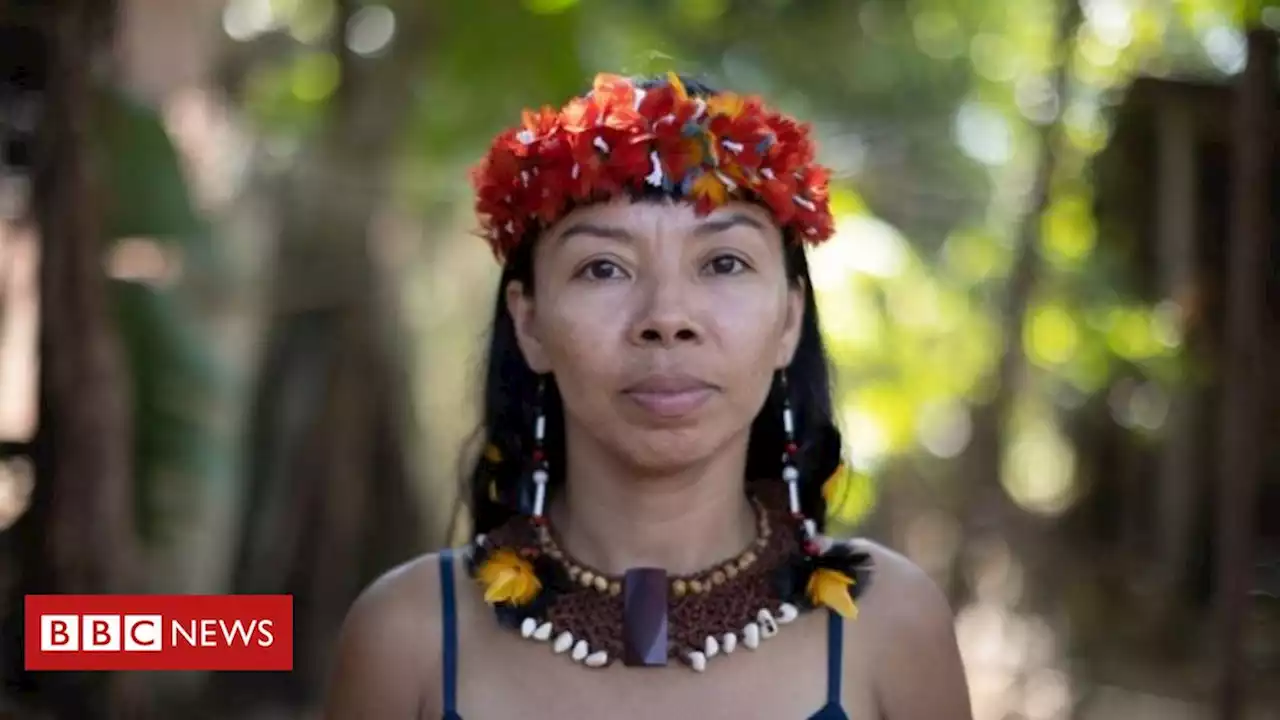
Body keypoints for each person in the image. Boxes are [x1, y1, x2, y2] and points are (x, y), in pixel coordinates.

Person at [322, 72, 972, 720]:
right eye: (603, 267)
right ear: (530, 324)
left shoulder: (888, 627)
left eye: (723, 263)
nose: (667, 316)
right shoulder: (407, 636)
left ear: (788, 321)